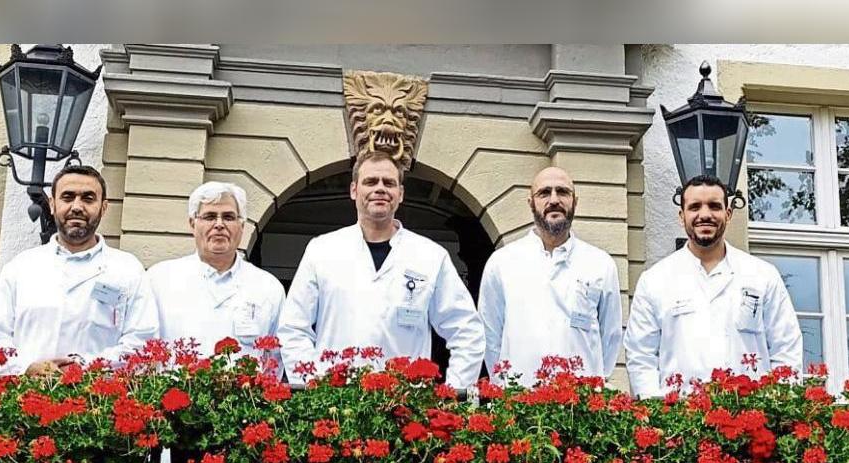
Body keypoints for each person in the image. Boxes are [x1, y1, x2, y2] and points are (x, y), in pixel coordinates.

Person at [0, 164, 159, 463]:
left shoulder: (127, 270)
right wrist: (28, 368)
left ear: (104, 207)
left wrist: (82, 367)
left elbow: (142, 343)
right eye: (68, 197)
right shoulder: (22, 268)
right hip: (23, 429)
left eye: (88, 198)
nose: (77, 206)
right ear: (52, 204)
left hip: (98, 434)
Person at [143, 181, 285, 463]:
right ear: (192, 223)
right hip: (170, 435)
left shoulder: (267, 287)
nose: (219, 224)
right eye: (209, 216)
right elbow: (144, 352)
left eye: (228, 216)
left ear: (242, 225)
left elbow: (274, 362)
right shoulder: (160, 279)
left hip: (236, 437)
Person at [278, 150, 485, 389]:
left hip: (406, 400)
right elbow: (293, 328)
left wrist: (452, 393)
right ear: (354, 190)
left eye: (389, 183)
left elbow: (467, 331)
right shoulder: (322, 250)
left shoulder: (430, 256)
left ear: (401, 194)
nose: (380, 189)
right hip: (335, 400)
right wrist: (312, 388)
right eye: (370, 181)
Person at [624, 174, 802, 398]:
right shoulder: (655, 280)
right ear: (682, 216)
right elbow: (641, 356)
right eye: (695, 207)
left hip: (751, 413)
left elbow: (786, 348)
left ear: (728, 214)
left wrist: (778, 407)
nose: (705, 214)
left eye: (714, 206)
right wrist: (656, 408)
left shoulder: (762, 276)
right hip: (679, 414)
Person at [478, 166, 622, 386]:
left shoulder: (600, 264)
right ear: (531, 203)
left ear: (575, 201)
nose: (554, 200)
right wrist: (504, 386)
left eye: (562, 192)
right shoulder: (502, 262)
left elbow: (610, 337)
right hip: (519, 398)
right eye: (544, 193)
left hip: (580, 400)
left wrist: (592, 386)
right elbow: (490, 335)